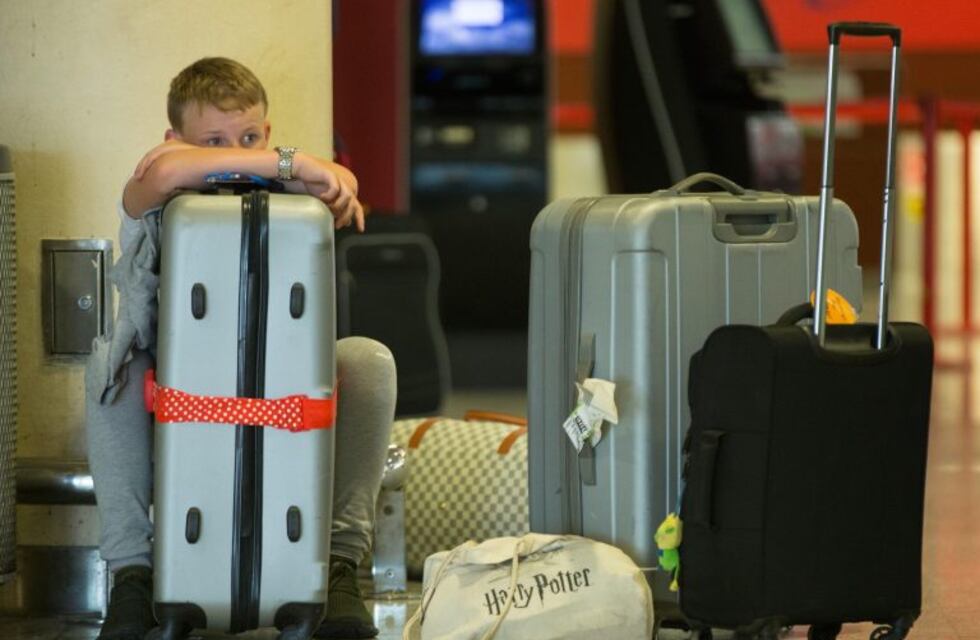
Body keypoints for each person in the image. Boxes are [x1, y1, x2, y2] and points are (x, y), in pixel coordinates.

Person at [85, 57, 396, 640]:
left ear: (267, 132)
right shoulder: (155, 189)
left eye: (250, 138)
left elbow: (339, 184)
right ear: (174, 140)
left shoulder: (283, 192)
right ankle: (132, 575)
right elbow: (166, 172)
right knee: (110, 364)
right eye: (214, 142)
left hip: (281, 387)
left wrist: (312, 174)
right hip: (177, 388)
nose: (235, 154)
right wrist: (293, 162)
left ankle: (338, 567)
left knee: (368, 360)